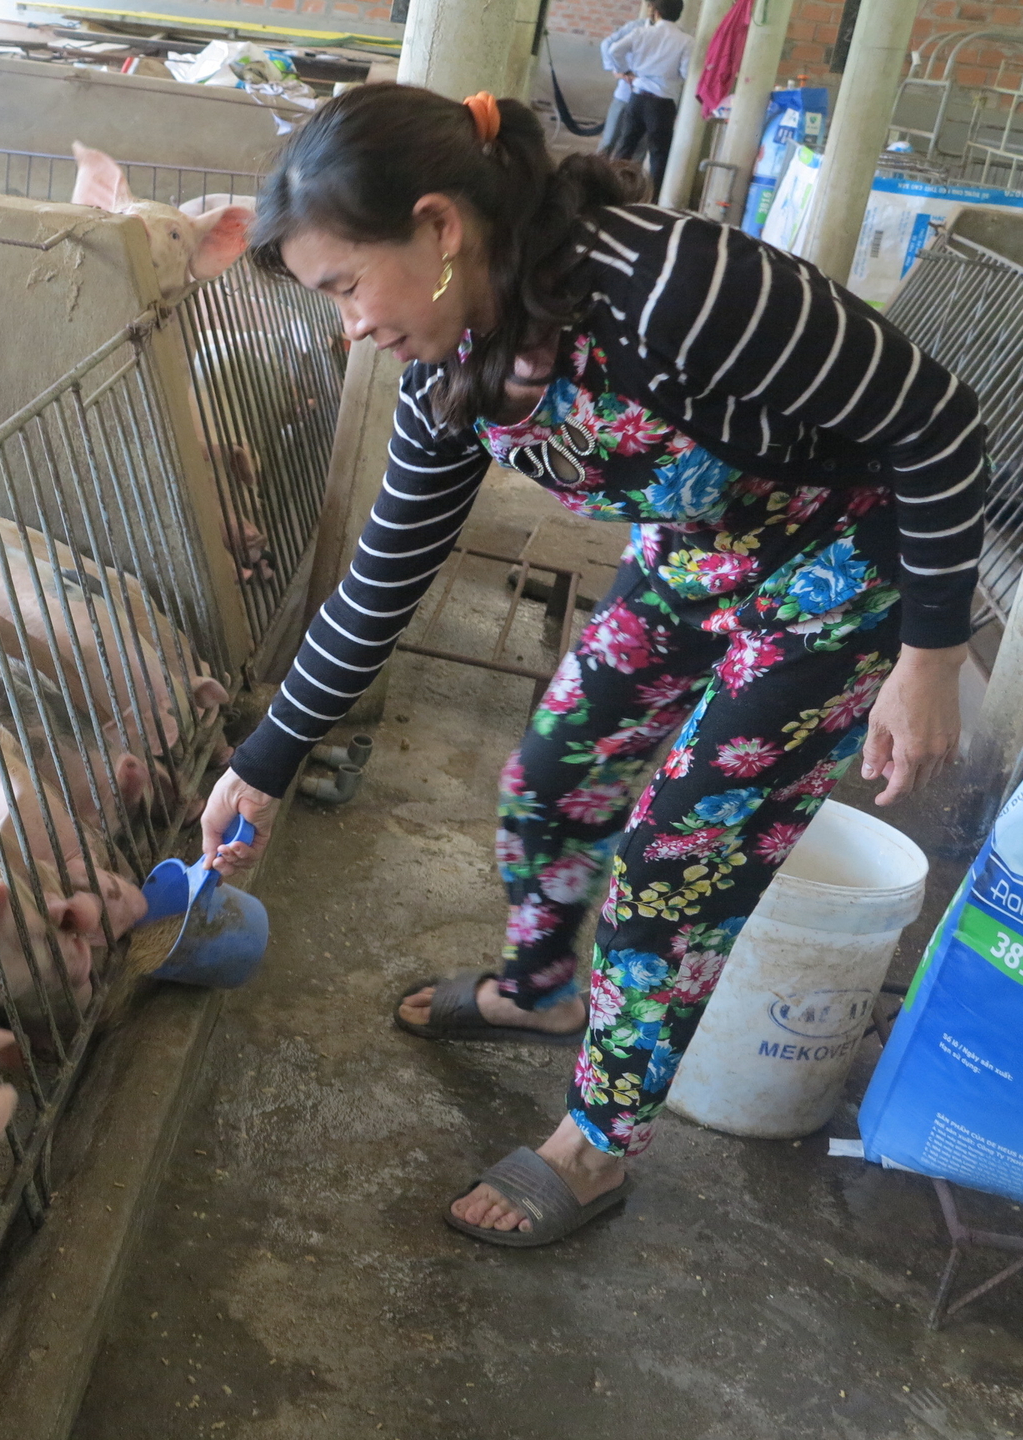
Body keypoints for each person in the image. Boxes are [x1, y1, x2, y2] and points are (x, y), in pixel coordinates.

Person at [201, 85, 981, 1246]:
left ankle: (598, 1148)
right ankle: (539, 988)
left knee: (675, 865)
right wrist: (260, 762)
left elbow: (938, 420)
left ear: (438, 226)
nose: (351, 324)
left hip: (841, 572)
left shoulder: (675, 286)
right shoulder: (451, 373)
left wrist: (930, 655)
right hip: (699, 553)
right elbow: (381, 579)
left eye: (346, 285)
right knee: (552, 774)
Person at [605, 0, 691, 189]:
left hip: (637, 97)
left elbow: (613, 50)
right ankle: (651, 198)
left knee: (625, 147)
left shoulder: (641, 32)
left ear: (656, 12)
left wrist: (625, 70)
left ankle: (611, 189)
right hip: (663, 103)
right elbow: (686, 73)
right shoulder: (685, 40)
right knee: (659, 154)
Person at [598, 3, 653, 149]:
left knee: (639, 146)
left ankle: (629, 172)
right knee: (609, 139)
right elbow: (607, 44)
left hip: (650, 96)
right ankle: (596, 170)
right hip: (626, 92)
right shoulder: (636, 27)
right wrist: (618, 70)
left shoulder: (674, 35)